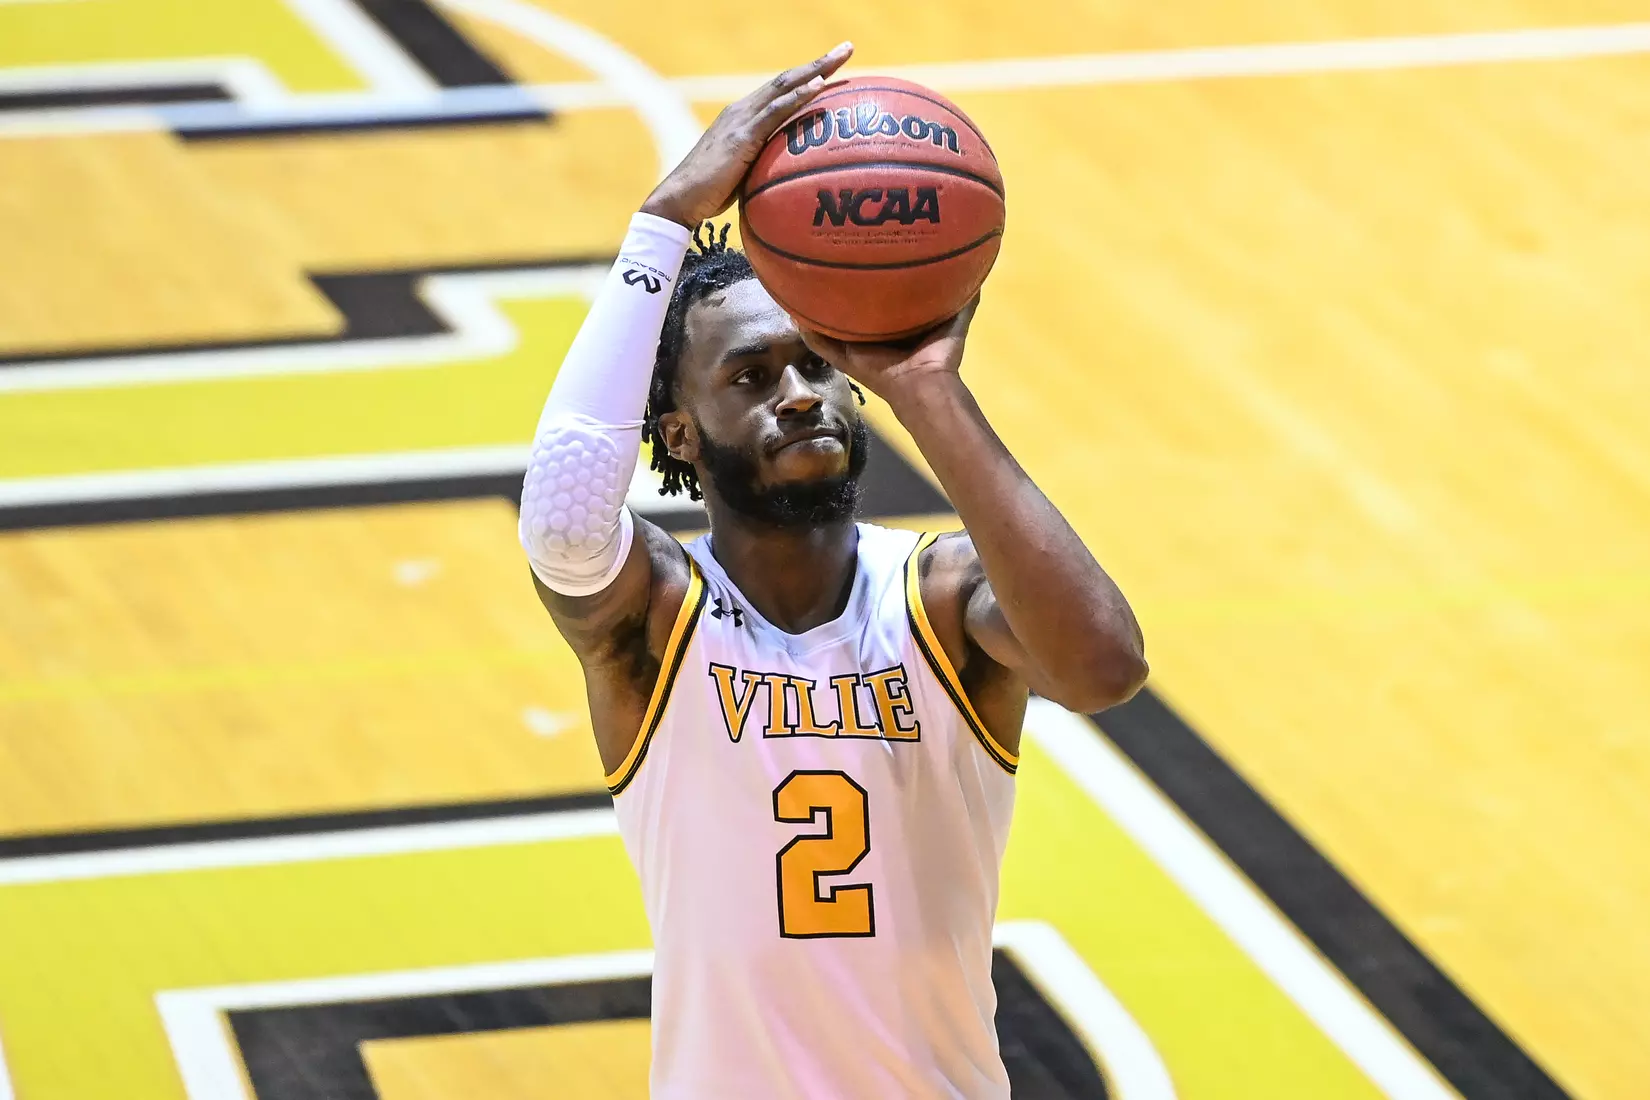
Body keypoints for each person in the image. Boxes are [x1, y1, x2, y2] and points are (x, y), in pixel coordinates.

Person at [519, 41, 1147, 1100]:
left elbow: (1103, 669)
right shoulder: (658, 617)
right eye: (751, 375)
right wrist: (663, 221)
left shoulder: (940, 598)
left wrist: (928, 389)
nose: (799, 392)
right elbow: (565, 524)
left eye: (815, 361)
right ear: (679, 431)